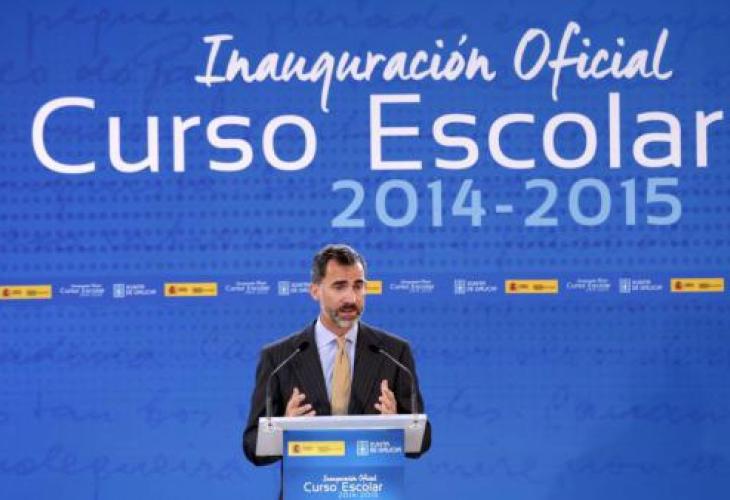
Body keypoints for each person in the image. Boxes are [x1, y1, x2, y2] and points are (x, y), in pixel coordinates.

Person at [243, 243, 431, 465]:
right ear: (315, 291)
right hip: (307, 484)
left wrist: (398, 425)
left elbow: (422, 440)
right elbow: (252, 446)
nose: (351, 298)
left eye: (358, 286)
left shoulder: (394, 353)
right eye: (339, 287)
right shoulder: (279, 358)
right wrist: (283, 429)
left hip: (371, 482)